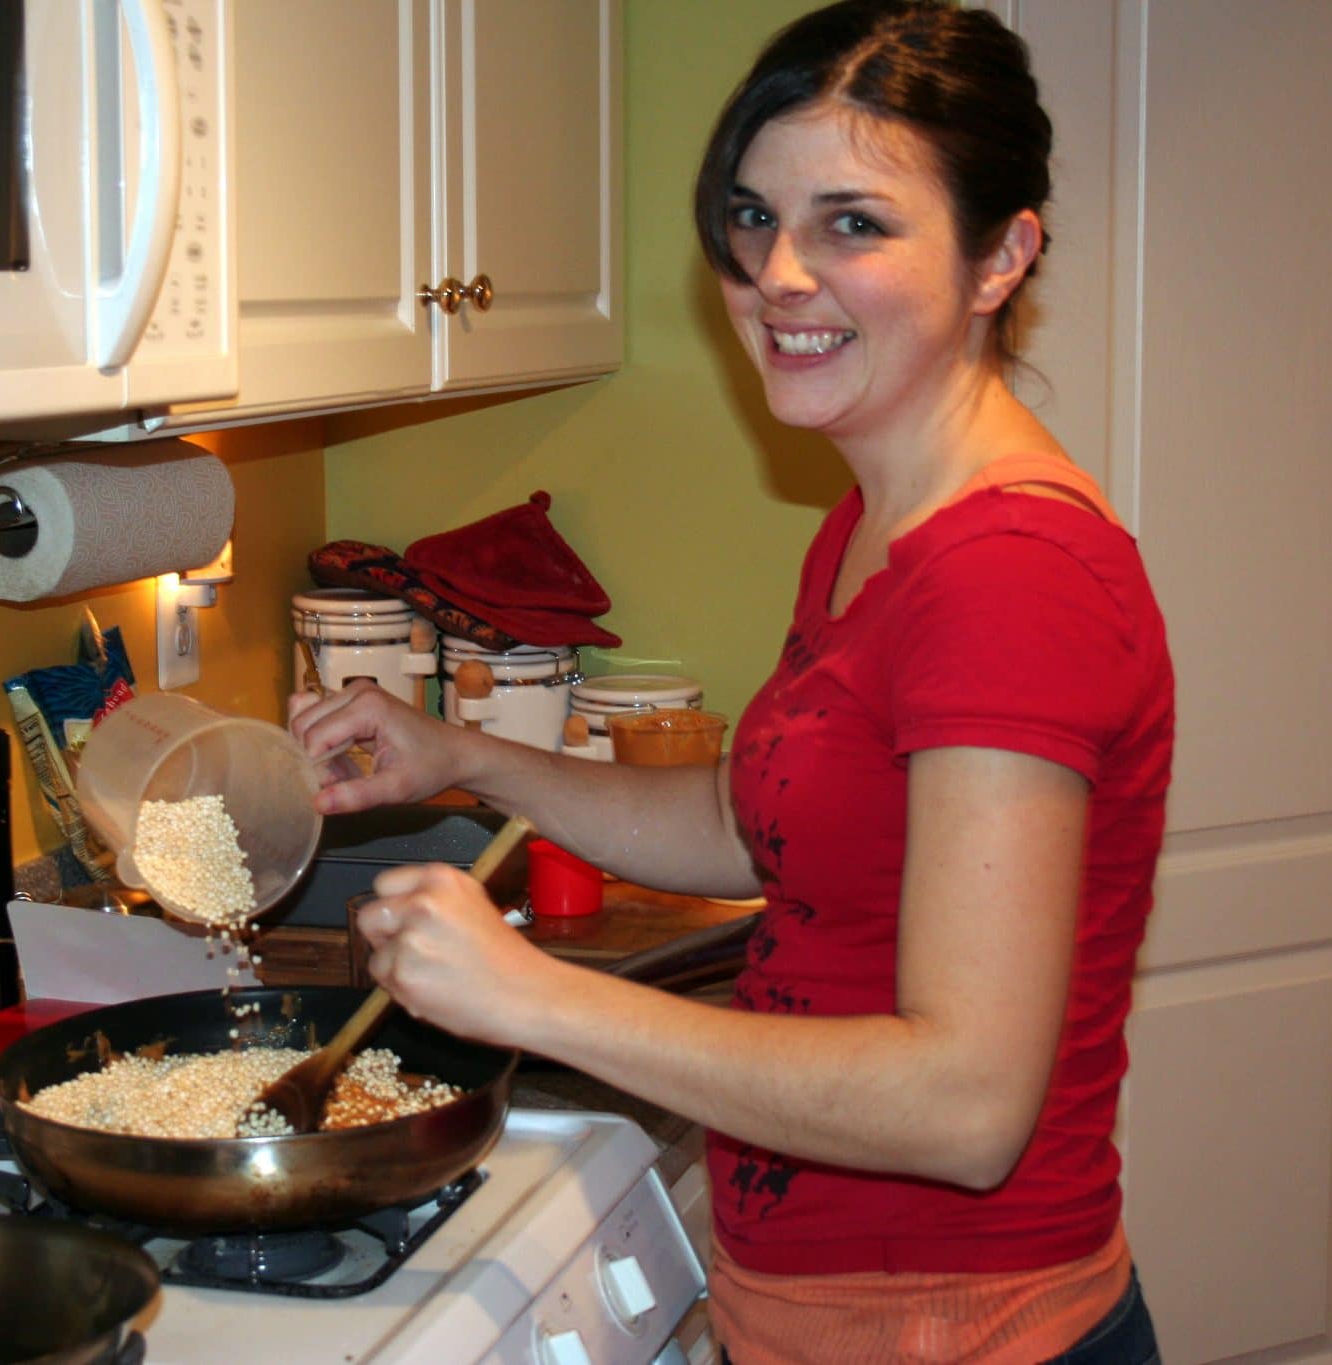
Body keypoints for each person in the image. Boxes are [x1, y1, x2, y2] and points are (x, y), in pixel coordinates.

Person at [289, 3, 1174, 1360]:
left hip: (963, 1331)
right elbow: (750, 819)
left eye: (852, 224)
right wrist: (463, 759)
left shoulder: (1010, 573)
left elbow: (965, 1102)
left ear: (1002, 255)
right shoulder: (879, 518)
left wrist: (533, 992)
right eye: (753, 221)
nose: (779, 275)